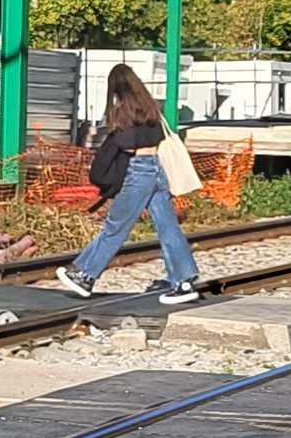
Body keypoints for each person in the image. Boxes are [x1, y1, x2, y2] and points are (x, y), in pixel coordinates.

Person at [55, 61, 202, 305]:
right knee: (168, 227)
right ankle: (184, 282)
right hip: (158, 169)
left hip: (139, 172)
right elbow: (156, 136)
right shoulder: (151, 108)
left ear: (116, 87)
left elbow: (127, 144)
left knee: (115, 226)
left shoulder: (124, 110)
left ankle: (85, 275)